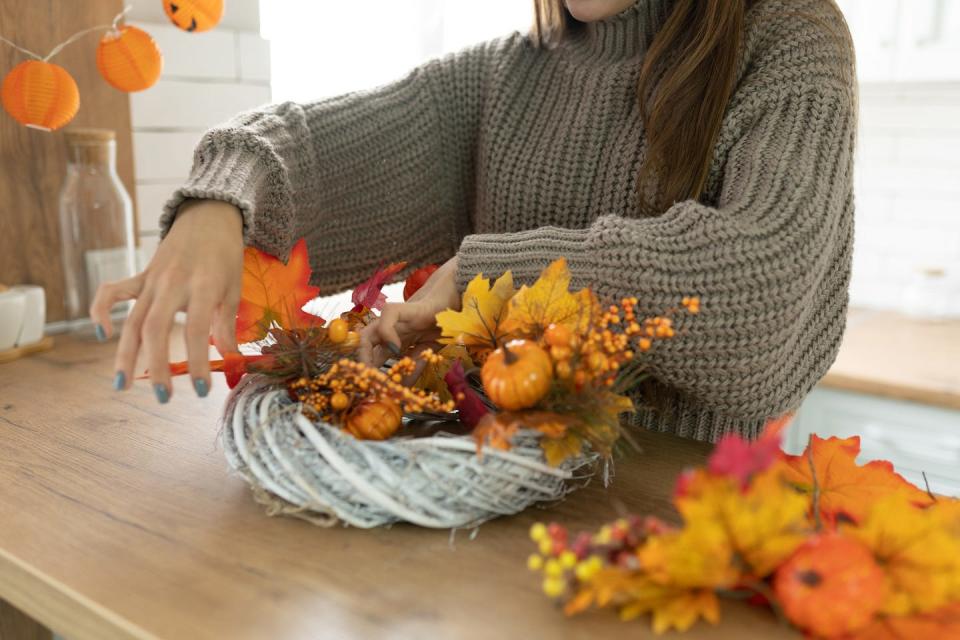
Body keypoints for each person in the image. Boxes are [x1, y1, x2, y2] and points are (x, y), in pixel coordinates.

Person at [91, 0, 856, 442]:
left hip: (682, 539)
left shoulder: (789, 37)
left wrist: (492, 272)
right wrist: (219, 202)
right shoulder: (505, 75)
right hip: (495, 532)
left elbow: (764, 289)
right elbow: (316, 152)